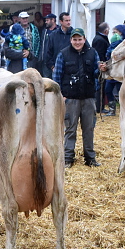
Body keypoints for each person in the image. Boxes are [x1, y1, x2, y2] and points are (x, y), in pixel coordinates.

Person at [53, 27, 102, 168]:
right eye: (75, 39)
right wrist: (60, 96)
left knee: (89, 129)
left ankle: (90, 159)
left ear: (84, 39)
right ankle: (67, 159)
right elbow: (57, 77)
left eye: (80, 39)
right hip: (70, 98)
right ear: (71, 40)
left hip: (88, 98)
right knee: (70, 129)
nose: (77, 42)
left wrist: (101, 70)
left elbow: (96, 74)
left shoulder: (93, 53)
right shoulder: (63, 54)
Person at [91, 22, 112, 115]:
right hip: (101, 66)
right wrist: (102, 65)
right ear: (106, 31)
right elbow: (99, 54)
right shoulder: (100, 40)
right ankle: (99, 107)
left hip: (101, 65)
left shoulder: (99, 38)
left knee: (101, 86)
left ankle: (100, 106)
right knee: (100, 86)